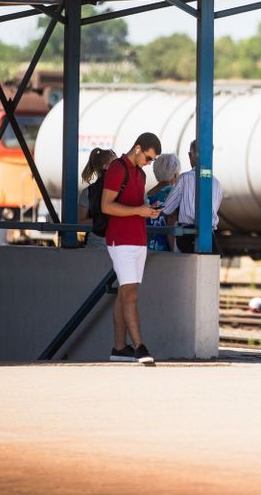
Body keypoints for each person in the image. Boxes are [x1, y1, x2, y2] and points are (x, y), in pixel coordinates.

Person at [100, 132, 163, 365]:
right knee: (130, 294)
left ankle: (119, 348)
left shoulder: (141, 174)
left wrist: (147, 209)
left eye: (152, 160)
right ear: (137, 148)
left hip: (138, 239)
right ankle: (139, 347)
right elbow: (106, 206)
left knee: (125, 293)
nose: (149, 163)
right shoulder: (117, 169)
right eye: (148, 157)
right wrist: (139, 211)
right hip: (121, 240)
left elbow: (134, 205)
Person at [161, 139, 223, 253]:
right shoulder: (217, 184)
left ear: (191, 155)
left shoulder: (185, 178)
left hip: (186, 237)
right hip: (210, 239)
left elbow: (166, 209)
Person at [77, 148, 116, 249]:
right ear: (106, 167)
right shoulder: (121, 189)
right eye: (115, 164)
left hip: (95, 244)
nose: (119, 167)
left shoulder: (87, 192)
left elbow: (81, 221)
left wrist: (99, 221)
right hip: (112, 245)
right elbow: (80, 221)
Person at [146, 153, 181, 252]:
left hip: (148, 248)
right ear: (175, 174)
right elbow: (171, 221)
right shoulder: (172, 193)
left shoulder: (149, 194)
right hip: (165, 249)